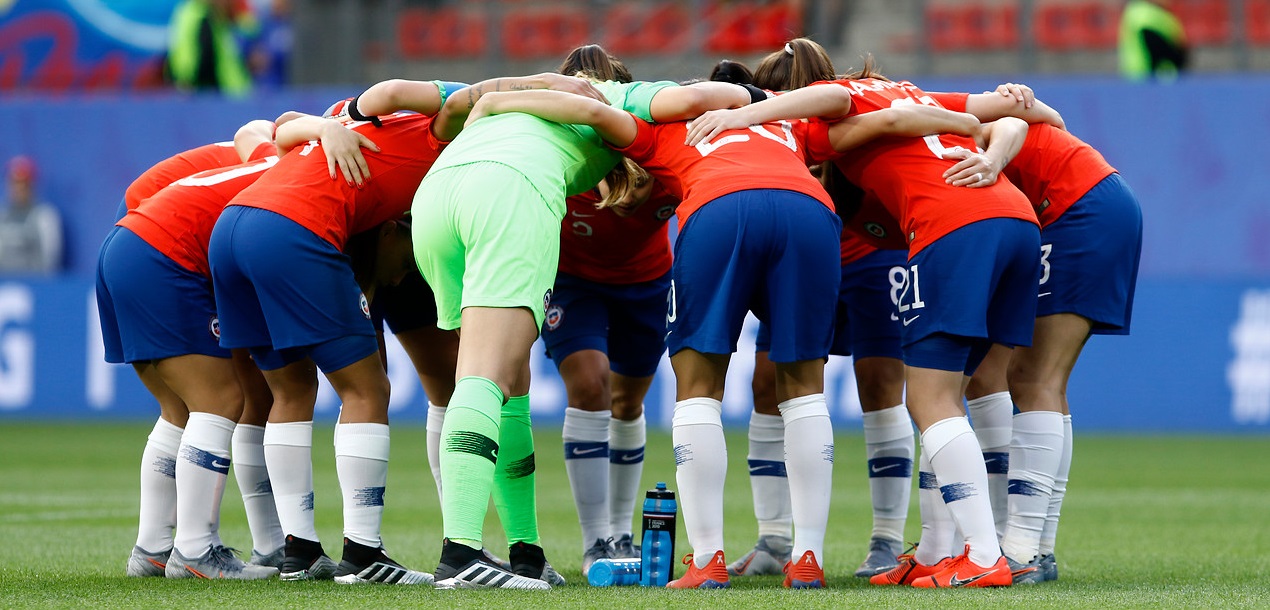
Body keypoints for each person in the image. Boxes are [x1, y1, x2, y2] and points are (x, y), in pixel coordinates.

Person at [405, 43, 759, 590]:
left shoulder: (516, 89)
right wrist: (758, 95)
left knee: (506, 386)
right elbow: (703, 96)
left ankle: (524, 551)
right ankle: (461, 555)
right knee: (485, 378)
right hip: (508, 191)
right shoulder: (621, 96)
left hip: (437, 195)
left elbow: (441, 109)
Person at [103, 114, 367, 580]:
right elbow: (257, 128)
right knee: (222, 400)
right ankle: (195, 551)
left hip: (130, 243)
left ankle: (155, 548)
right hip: (165, 252)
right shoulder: (297, 179)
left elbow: (256, 131)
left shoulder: (277, 158)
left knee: (180, 410)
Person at [932, 90, 1143, 582]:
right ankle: (1034, 547)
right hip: (1081, 201)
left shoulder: (899, 112)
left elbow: (1017, 116)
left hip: (1076, 207)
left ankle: (1022, 549)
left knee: (1033, 377)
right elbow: (1036, 114)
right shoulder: (898, 108)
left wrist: (997, 151)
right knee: (1017, 376)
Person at [723, 38, 914, 580]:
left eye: (776, 92)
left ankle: (885, 539)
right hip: (800, 259)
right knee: (766, 383)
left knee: (880, 385)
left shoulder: (848, 110)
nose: (770, 103)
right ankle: (774, 540)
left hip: (872, 258)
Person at [548, 167, 676, 577]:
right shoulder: (570, 165)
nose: (629, 198)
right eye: (620, 184)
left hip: (649, 282)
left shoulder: (670, 165)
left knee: (627, 402)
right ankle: (594, 541)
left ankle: (621, 533)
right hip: (573, 281)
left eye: (640, 186)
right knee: (590, 384)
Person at [167, 0, 255, 95]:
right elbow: (204, 55)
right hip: (214, 93)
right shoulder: (204, 17)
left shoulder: (187, 11)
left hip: (227, 92)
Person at [0, 156, 62, 275]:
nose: (18, 188)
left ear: (32, 185)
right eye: (14, 182)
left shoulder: (44, 216)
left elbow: (50, 260)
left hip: (34, 285)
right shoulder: (2, 216)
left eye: (23, 183)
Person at [1119, 0, 1189, 81]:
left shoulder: (1136, 11)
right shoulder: (1146, 15)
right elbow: (1156, 47)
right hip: (1150, 78)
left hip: (1136, 77)